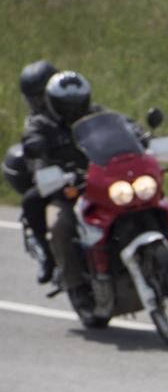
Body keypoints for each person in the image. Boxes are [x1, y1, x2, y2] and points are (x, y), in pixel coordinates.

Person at [21, 71, 95, 301]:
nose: (73, 111)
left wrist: (140, 135)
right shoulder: (41, 125)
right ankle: (76, 285)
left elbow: (123, 127)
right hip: (66, 190)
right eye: (66, 106)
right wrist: (46, 169)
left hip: (100, 182)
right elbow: (34, 153)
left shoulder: (96, 115)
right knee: (60, 225)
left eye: (78, 104)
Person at [12, 60, 59, 283]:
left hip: (92, 172)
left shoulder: (76, 105)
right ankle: (48, 256)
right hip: (61, 180)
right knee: (31, 201)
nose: (40, 101)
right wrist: (43, 171)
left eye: (42, 94)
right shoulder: (35, 124)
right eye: (34, 97)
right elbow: (34, 152)